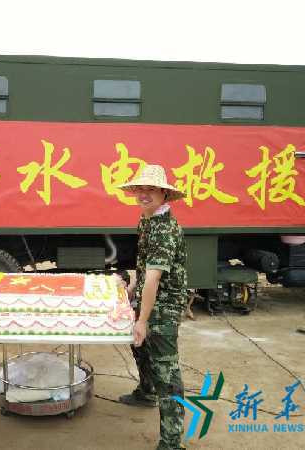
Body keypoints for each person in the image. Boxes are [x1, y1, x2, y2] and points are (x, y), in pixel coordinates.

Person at [118, 164, 188, 450]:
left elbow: (155, 278)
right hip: (149, 298)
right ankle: (146, 392)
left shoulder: (164, 230)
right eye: (140, 189)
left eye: (151, 190)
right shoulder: (147, 219)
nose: (143, 194)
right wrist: (131, 289)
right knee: (140, 347)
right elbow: (144, 268)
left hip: (164, 307)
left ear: (164, 194)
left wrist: (143, 320)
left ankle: (171, 442)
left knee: (167, 373)